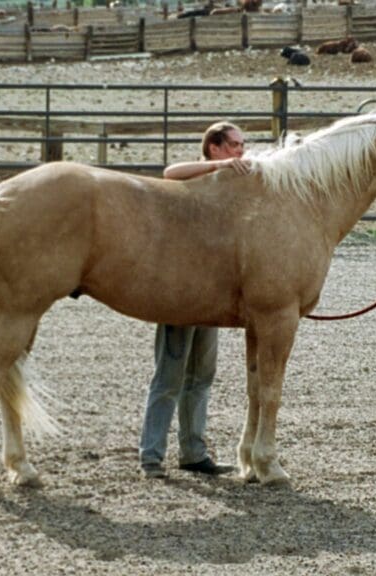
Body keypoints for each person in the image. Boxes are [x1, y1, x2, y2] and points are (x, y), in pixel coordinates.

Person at [139, 121, 251, 479]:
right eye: (234, 144)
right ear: (214, 147)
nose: (240, 151)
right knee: (169, 376)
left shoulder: (232, 181)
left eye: (242, 145)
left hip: (212, 292)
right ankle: (151, 455)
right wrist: (219, 166)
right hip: (183, 291)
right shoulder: (197, 175)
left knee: (201, 376)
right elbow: (170, 172)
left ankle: (193, 452)